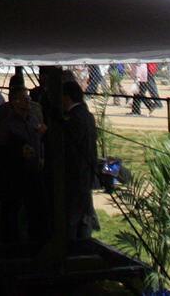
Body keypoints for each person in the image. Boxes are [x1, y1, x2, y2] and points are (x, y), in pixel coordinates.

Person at [0, 76, 44, 245]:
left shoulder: (33, 119)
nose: (28, 102)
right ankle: (10, 243)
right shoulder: (7, 124)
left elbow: (38, 140)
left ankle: (33, 241)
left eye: (28, 98)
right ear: (14, 102)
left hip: (32, 172)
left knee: (33, 209)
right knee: (11, 211)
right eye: (24, 99)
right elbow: (1, 148)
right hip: (13, 175)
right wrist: (18, 152)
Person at [58, 80, 98, 243]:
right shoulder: (86, 115)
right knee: (83, 213)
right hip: (86, 173)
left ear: (66, 97)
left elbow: (69, 146)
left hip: (76, 174)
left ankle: (74, 248)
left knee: (74, 217)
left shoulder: (74, 118)